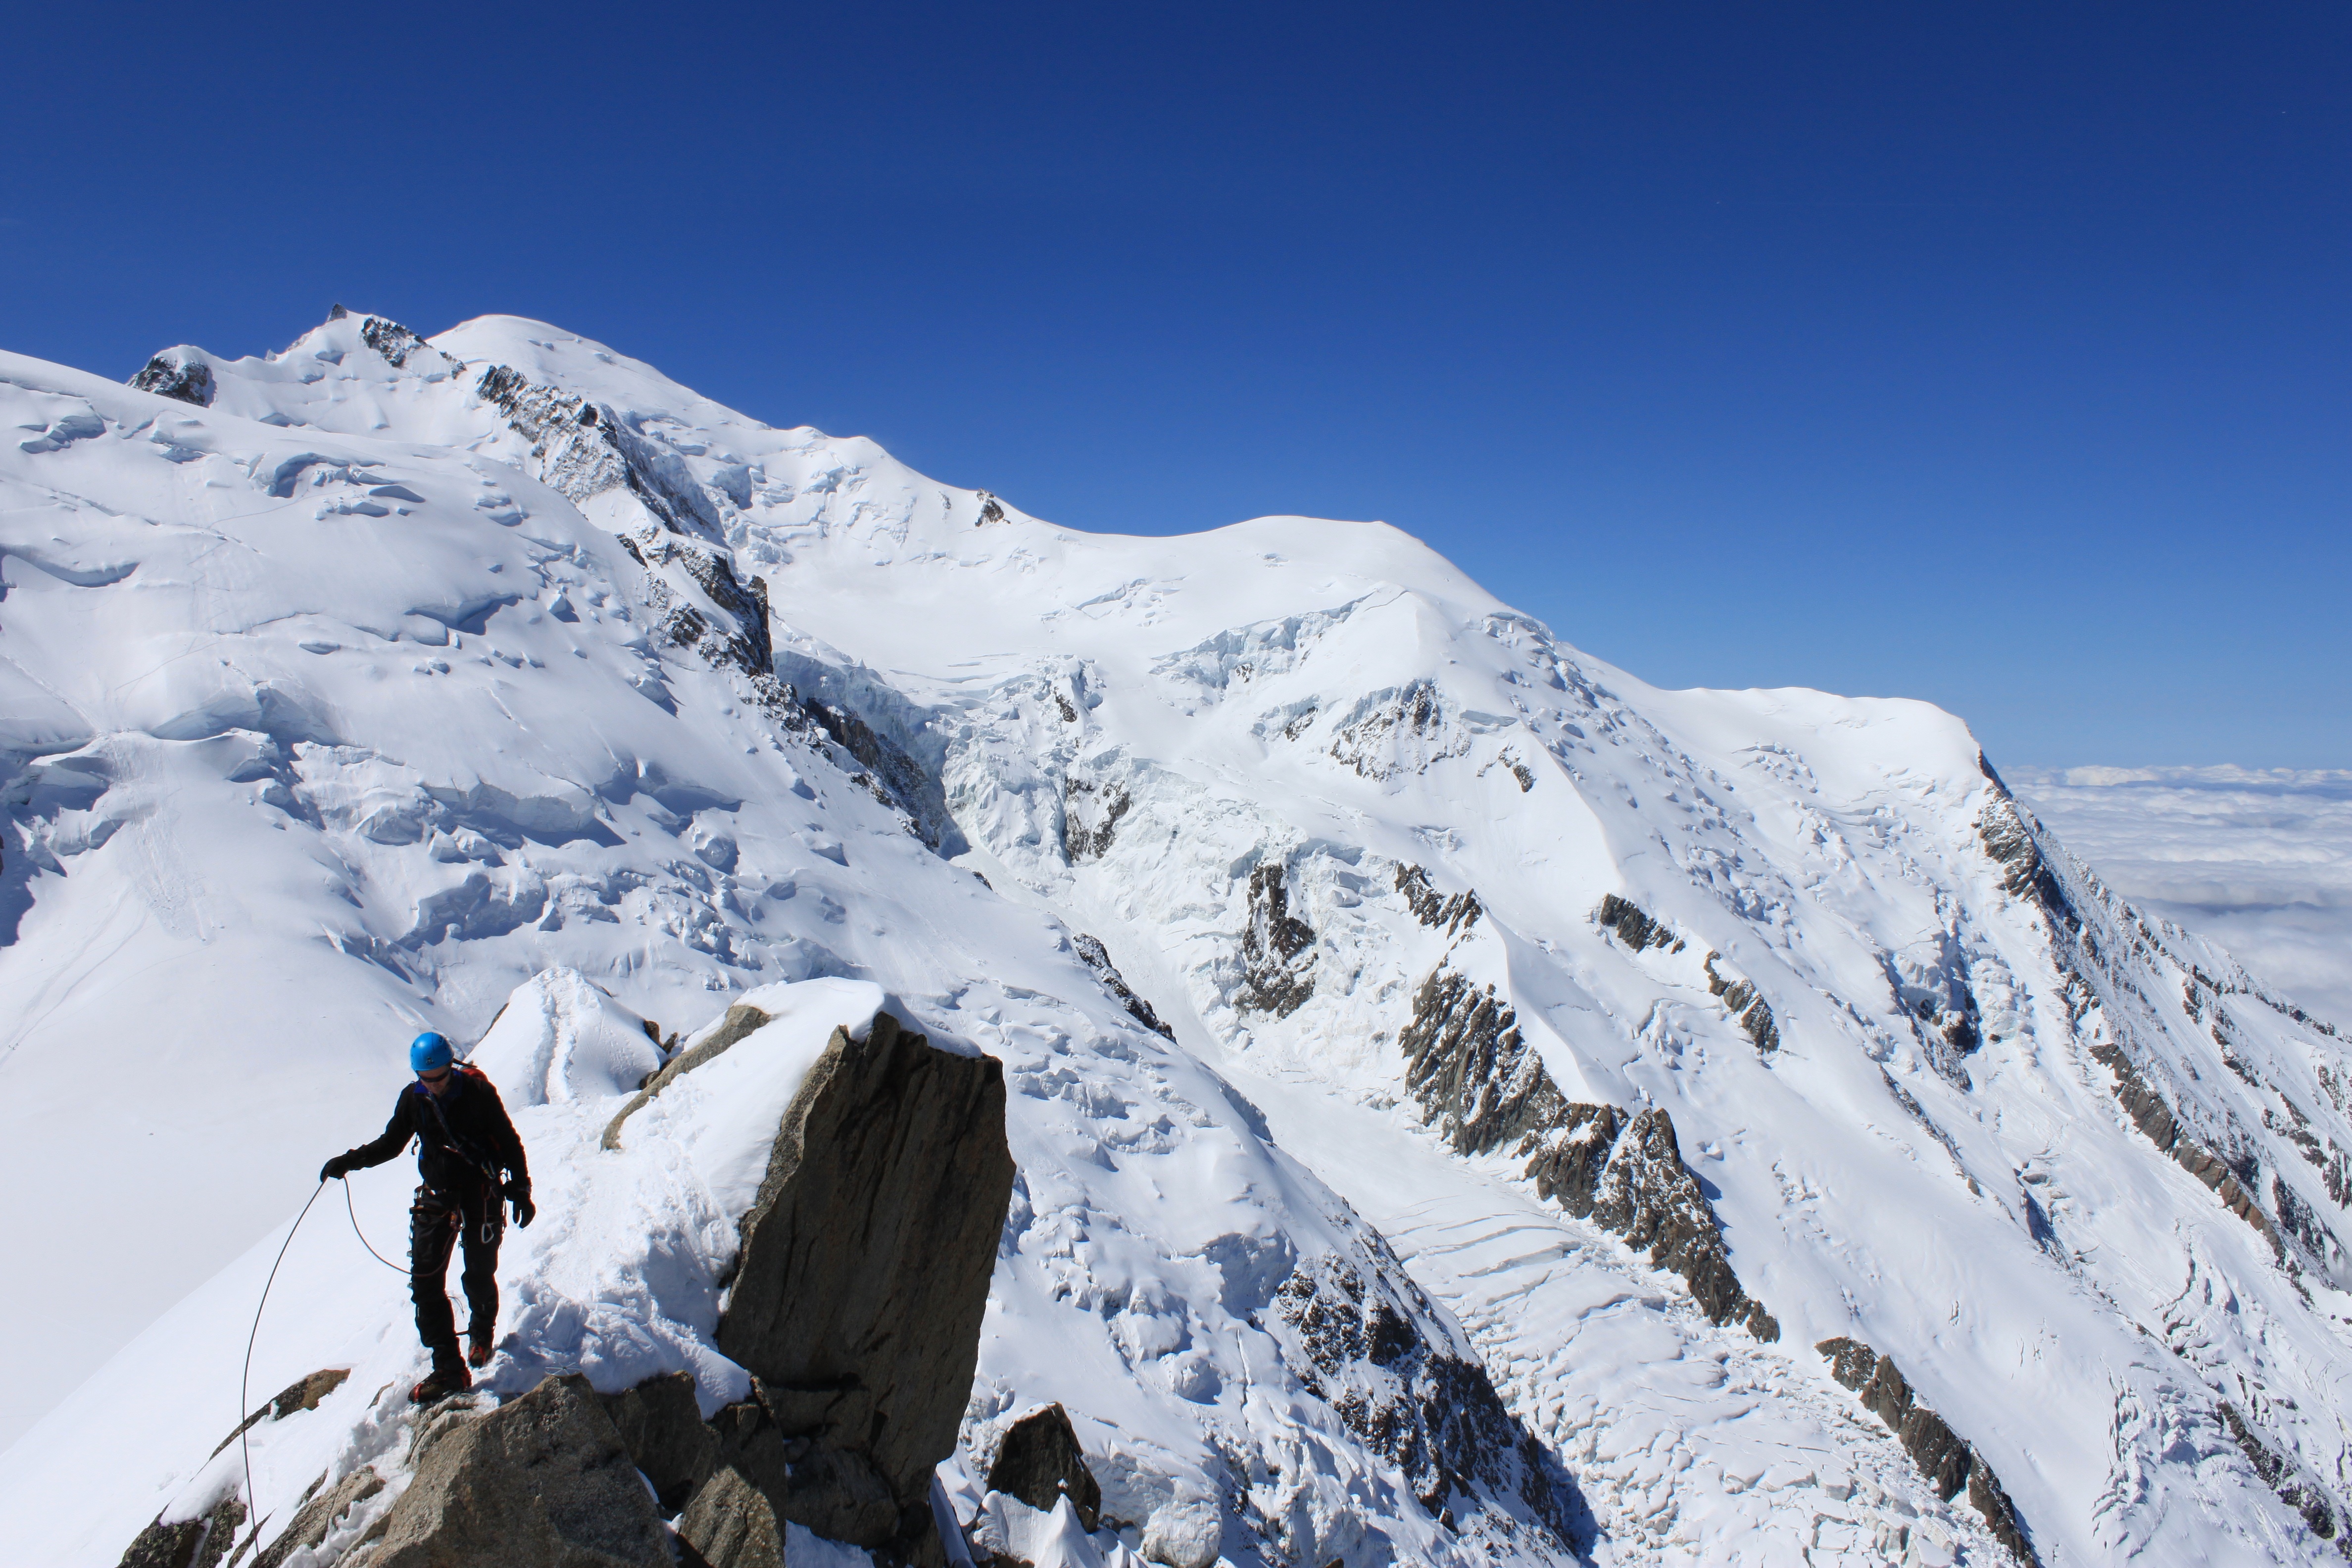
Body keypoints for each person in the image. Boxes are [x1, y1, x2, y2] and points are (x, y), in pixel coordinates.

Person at [319, 1031, 534, 1403]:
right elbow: (391, 1144)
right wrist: (350, 1161)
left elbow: (509, 1139)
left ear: (452, 1067)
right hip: (439, 1193)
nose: (434, 1086)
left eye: (440, 1078)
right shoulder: (414, 1099)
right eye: (426, 1079)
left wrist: (521, 1188)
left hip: (481, 1190)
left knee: (479, 1271)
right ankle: (450, 1369)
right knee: (425, 1285)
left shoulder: (478, 1094)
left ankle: (482, 1332)